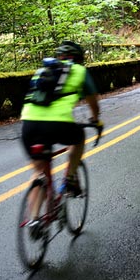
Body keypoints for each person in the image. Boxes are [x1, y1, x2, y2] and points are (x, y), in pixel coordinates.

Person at [20, 41, 101, 219]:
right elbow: (93, 100)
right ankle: (71, 177)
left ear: (59, 57)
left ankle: (34, 219)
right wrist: (95, 120)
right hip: (57, 125)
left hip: (28, 125)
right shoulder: (79, 70)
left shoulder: (42, 70)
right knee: (78, 138)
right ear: (79, 59)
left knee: (39, 170)